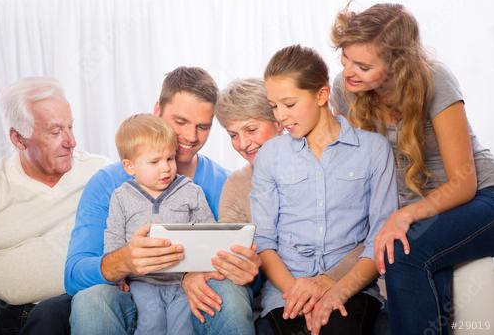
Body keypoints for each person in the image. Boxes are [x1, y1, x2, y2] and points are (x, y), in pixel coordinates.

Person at [330, 3, 494, 335]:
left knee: (404, 254)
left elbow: (464, 183)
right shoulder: (346, 89)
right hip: (426, 214)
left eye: (362, 65)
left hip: (480, 197)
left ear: (397, 64)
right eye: (345, 59)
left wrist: (403, 216)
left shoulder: (435, 80)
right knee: (412, 256)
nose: (349, 71)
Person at [66, 66, 259, 335]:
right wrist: (122, 262)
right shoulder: (109, 184)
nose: (191, 137)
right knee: (91, 299)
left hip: (194, 301)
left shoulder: (223, 183)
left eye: (202, 127)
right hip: (134, 294)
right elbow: (73, 274)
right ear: (157, 111)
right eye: (180, 122)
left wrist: (243, 271)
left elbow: (251, 270)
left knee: (228, 289)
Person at [251, 45, 398, 335]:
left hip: (350, 290)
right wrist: (298, 292)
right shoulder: (270, 155)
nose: (280, 116)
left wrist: (337, 290)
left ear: (321, 95)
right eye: (273, 106)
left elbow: (379, 240)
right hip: (286, 292)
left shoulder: (374, 150)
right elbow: (265, 242)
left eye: (289, 104)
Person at [215, 78, 370, 333]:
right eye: (233, 135)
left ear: (280, 123)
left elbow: (367, 237)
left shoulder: (327, 165)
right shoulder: (236, 184)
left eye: (251, 130)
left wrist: (325, 285)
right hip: (282, 297)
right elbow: (231, 252)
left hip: (344, 285)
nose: (243, 144)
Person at [0, 77, 108, 334]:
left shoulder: (99, 172)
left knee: (48, 315)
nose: (71, 141)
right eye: (56, 132)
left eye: (70, 127)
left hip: (64, 304)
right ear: (18, 138)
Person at [105, 114, 215, 334]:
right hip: (143, 281)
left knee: (182, 326)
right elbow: (114, 235)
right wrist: (118, 275)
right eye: (155, 162)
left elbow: (209, 233)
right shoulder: (121, 197)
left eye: (170, 159)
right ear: (130, 166)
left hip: (183, 280)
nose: (166, 168)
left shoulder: (191, 191)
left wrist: (202, 269)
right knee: (151, 321)